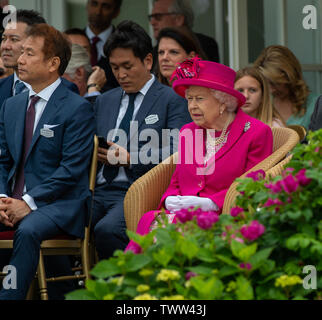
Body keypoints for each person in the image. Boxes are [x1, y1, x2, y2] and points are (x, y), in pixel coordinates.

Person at [126, 58, 273, 250]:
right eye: (189, 99)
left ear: (223, 102)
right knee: (151, 220)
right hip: (182, 218)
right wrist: (170, 198)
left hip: (224, 218)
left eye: (200, 99)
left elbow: (254, 185)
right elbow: (177, 181)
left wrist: (212, 203)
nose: (192, 106)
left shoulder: (256, 133)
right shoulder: (189, 132)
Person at [0, 23, 95, 300]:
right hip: (12, 200)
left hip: (59, 205)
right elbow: (2, 159)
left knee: (28, 228)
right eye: (22, 52)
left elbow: (71, 170)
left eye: (29, 53)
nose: (20, 59)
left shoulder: (77, 108)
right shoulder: (12, 105)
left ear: (53, 63)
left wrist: (27, 203)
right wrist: (3, 197)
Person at [92, 20, 191, 260]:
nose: (121, 74)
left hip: (139, 190)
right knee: (51, 224)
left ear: (148, 61)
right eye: (115, 67)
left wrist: (130, 158)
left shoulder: (171, 99)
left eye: (127, 66)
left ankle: (121, 289)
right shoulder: (105, 100)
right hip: (97, 189)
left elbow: (179, 151)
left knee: (106, 230)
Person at [0, 10, 79, 108]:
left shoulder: (66, 90)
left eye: (14, 39)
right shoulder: (2, 86)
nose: (5, 46)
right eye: (3, 39)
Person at [254, 45, 320, 130]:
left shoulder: (316, 105)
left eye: (276, 83)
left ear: (291, 77)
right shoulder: (261, 103)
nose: (271, 90)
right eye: (266, 84)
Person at [149, 0, 220, 63]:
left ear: (178, 19)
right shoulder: (153, 54)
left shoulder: (206, 45)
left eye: (158, 16)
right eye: (161, 52)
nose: (152, 22)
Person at [84, 0, 121, 92]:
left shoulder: (124, 44)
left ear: (116, 12)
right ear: (87, 6)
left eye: (105, 6)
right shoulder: (73, 41)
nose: (98, 12)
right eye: (94, 4)